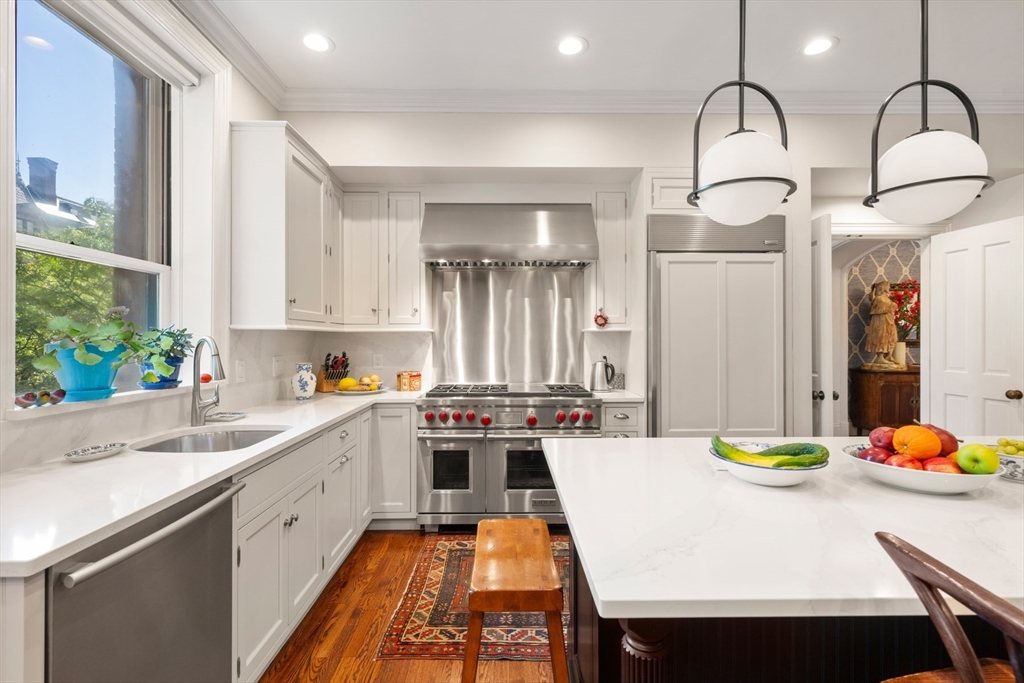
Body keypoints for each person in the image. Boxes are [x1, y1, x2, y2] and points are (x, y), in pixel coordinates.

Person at [864, 280, 900, 366]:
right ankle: (880, 358)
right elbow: (881, 309)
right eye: (888, 286)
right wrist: (892, 306)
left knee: (893, 338)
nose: (889, 288)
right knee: (881, 338)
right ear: (882, 287)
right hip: (881, 321)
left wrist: (893, 306)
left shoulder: (886, 298)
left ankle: (889, 355)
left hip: (889, 320)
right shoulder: (878, 298)